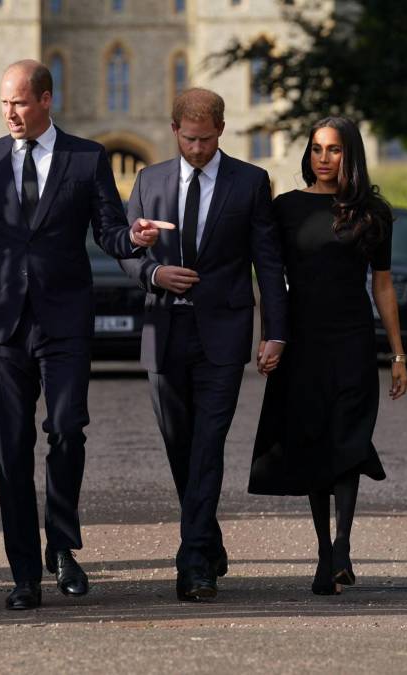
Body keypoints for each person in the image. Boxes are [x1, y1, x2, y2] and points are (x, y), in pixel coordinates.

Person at [0, 60, 161, 611]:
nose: (9, 113)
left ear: (45, 100)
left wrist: (133, 238)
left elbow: (108, 228)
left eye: (18, 102)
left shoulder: (87, 158)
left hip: (64, 321)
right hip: (2, 324)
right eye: (4, 104)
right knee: (9, 448)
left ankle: (62, 545)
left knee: (66, 430)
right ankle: (24, 573)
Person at [119, 88, 288, 601]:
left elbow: (269, 262)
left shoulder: (251, 182)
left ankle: (193, 563)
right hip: (163, 333)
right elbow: (125, 248)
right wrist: (152, 271)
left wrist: (275, 331)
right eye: (190, 139)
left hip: (223, 334)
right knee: (181, 447)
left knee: (208, 445)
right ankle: (208, 540)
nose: (198, 149)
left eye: (208, 139)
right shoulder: (148, 181)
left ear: (221, 130)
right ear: (174, 131)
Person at [248, 116, 407, 596]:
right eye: (317, 148)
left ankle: (343, 547)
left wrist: (398, 354)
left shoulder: (373, 213)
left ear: (350, 155)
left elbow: (382, 284)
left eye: (334, 150)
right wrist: (270, 335)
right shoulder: (286, 209)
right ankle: (323, 552)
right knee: (314, 441)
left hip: (353, 340)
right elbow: (267, 277)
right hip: (303, 343)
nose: (323, 158)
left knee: (348, 442)